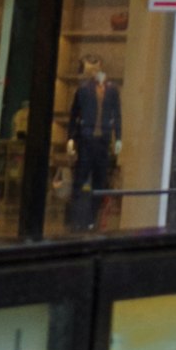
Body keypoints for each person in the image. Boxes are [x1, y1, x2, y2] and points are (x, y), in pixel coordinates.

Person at [64, 63, 123, 232]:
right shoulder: (83, 90)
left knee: (100, 180)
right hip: (86, 139)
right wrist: (70, 138)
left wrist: (118, 137)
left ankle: (91, 218)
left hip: (103, 140)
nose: (96, 72)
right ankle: (75, 218)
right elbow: (74, 114)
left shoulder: (112, 91)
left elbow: (117, 115)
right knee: (80, 178)